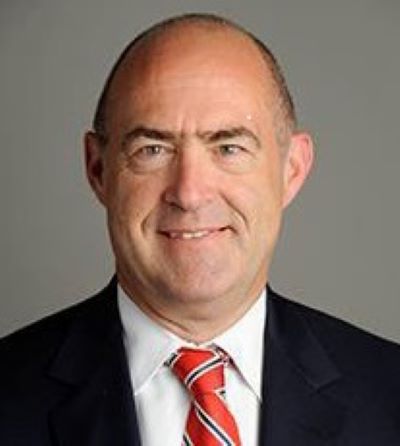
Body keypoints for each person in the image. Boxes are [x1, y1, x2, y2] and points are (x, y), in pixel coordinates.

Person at [1, 13, 400, 446]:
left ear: (292, 169)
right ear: (98, 170)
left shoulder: (388, 392)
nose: (189, 193)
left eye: (229, 148)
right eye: (152, 149)